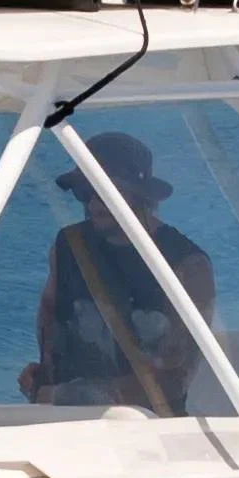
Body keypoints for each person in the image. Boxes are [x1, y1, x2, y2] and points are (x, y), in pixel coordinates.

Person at [21, 127, 213, 410]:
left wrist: (57, 396)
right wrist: (42, 377)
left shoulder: (187, 266)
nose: (94, 202)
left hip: (146, 428)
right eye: (85, 191)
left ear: (142, 196)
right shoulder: (69, 245)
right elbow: (50, 313)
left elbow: (173, 379)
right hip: (60, 423)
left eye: (109, 191)